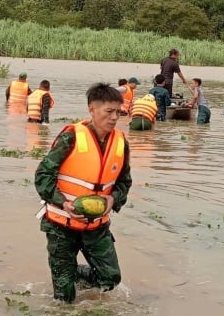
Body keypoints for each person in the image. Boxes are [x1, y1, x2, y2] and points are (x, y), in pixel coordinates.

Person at [34, 83, 132, 304]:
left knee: (110, 279)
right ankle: (65, 275)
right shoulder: (71, 137)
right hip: (61, 226)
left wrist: (112, 198)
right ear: (92, 109)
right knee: (64, 298)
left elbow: (125, 182)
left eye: (118, 112)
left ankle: (73, 273)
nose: (115, 117)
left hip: (97, 227)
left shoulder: (121, 143)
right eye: (109, 111)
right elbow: (42, 176)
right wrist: (64, 203)